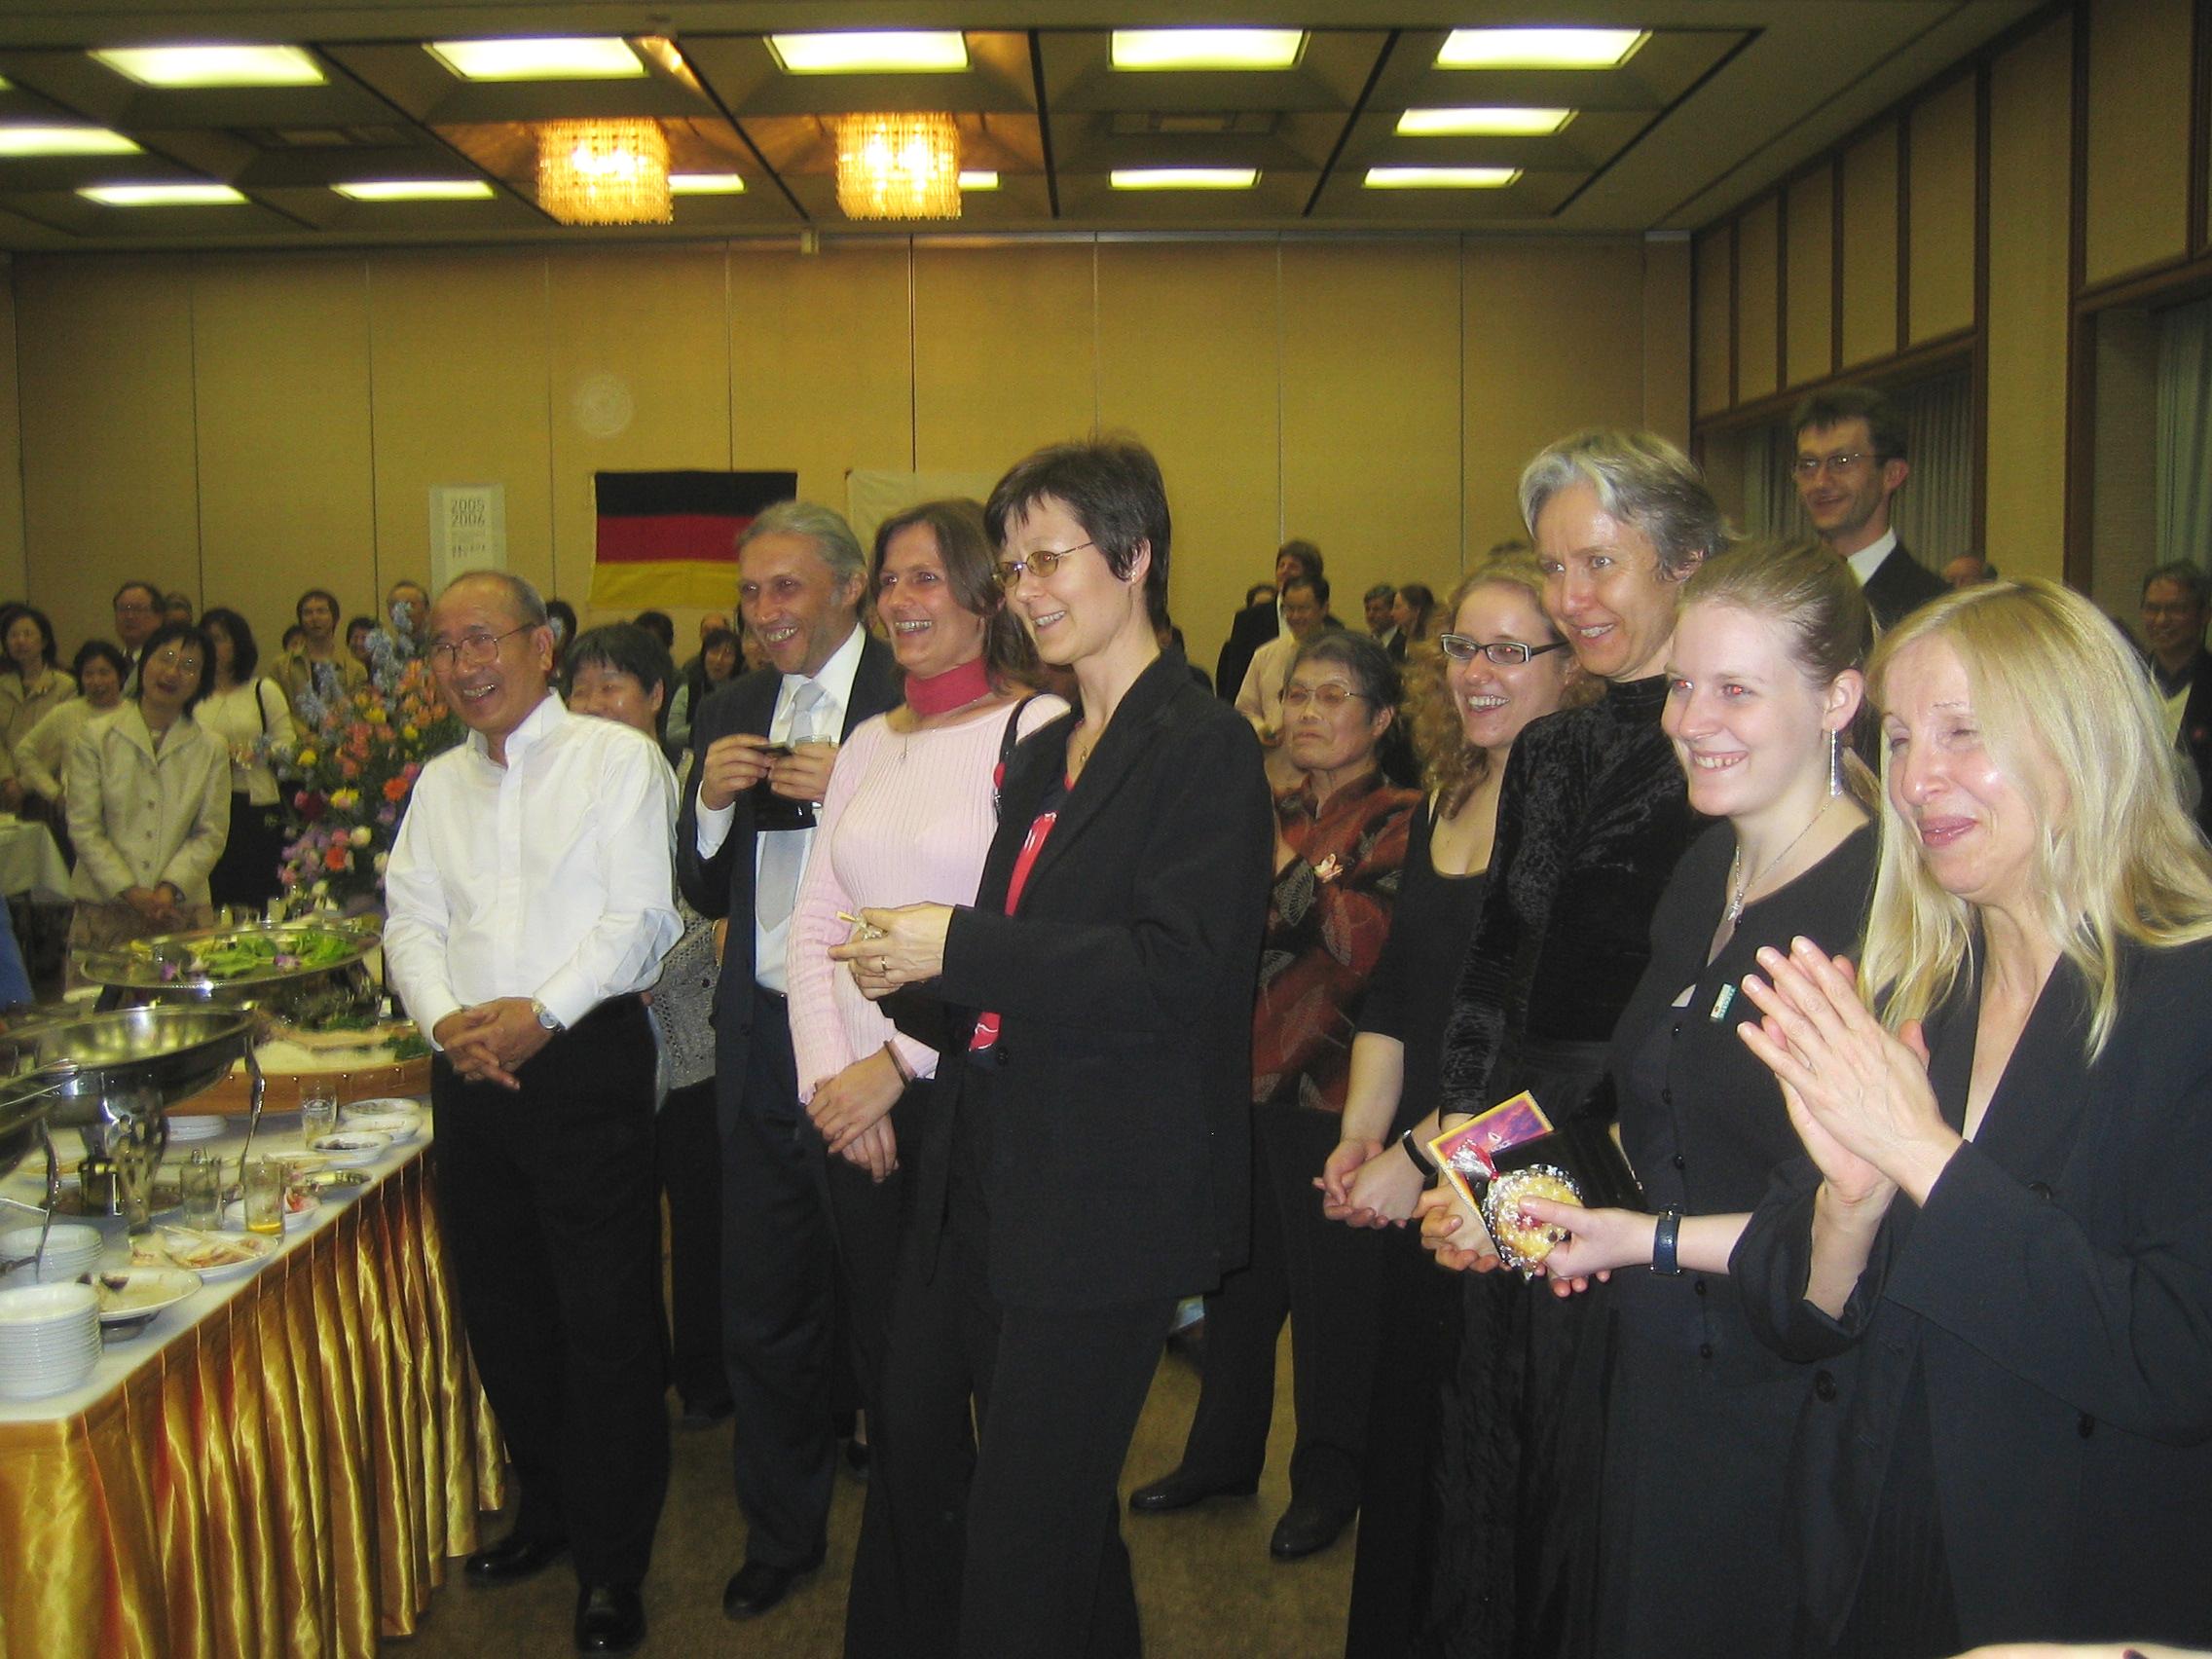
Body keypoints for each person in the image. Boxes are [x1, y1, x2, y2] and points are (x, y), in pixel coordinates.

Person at [830, 436, 1271, 1657]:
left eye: (1046, 560)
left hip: (1105, 1195)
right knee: (1031, 1509)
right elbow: (1013, 974)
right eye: (1013, 566)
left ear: (1133, 558)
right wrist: (913, 980)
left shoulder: (1202, 746)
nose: (1023, 591)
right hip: (988, 1170)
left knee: (1024, 1535)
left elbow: (1177, 972)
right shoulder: (1041, 750)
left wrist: (956, 944)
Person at [1733, 576, 2212, 1654]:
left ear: (2084, 742)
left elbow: (2177, 1359)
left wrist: (1922, 1155)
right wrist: (1849, 1209)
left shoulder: (2188, 999)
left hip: (2065, 1594)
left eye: (1963, 732)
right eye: (1900, 740)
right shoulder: (1920, 988)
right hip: (1869, 1560)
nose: (1915, 781)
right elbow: (1787, 1312)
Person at [1506, 539, 1878, 1659]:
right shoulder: (1705, 870)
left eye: (1734, 691)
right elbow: (1648, 1107)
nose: (1690, 721)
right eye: (1681, 686)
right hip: (1659, 1358)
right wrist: (1513, 1191)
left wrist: (1641, 1239)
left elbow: (1844, 1213)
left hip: (1781, 1390)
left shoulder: (1876, 911)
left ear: (1838, 701)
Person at [1408, 429, 1720, 1659]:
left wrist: (1510, 1169)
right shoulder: (1553, 746)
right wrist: (1463, 1155)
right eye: (1554, 567)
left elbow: (1664, 1009)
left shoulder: (1719, 744)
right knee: (1499, 1445)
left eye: (1600, 562)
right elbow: (1498, 963)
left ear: (1683, 562)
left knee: (1591, 1476)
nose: (1571, 597)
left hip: (1638, 1156)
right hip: (1521, 1139)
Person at [788, 499, 1068, 1649]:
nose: (902, 602)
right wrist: (832, 1082)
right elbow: (817, 920)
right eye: (890, 581)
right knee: (901, 1411)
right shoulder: (868, 740)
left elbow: (1023, 936)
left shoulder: (1039, 728)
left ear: (985, 595)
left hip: (974, 1103)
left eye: (926, 579)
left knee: (1007, 1408)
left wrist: (895, 1069)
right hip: (853, 1111)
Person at [383, 572, 679, 1656]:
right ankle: (548, 1511)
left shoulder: (615, 760)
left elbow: (642, 919)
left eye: (483, 639)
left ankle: (612, 1563)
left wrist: (539, 1014)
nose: (465, 664)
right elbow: (409, 920)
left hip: (582, 1061)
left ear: (542, 646)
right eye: (444, 647)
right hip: (470, 1071)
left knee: (606, 1323)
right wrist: (445, 1020)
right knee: (505, 1314)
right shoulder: (437, 784)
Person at [1319, 556, 1586, 1657]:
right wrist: (1360, 1133)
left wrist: (1424, 1158)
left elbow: (1549, 1046)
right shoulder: (1448, 796)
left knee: (1489, 1458)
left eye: (1511, 651)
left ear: (1572, 669)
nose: (1479, 672)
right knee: (1412, 1444)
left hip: (1518, 1161)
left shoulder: (1585, 820)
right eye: (1464, 647)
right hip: (1423, 1160)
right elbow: (1399, 994)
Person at [1131, 631, 1416, 1563]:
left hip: (1336, 1095)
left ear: (1382, 718)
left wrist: (1271, 856)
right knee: (1235, 1291)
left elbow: (1360, 945)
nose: (1308, 713)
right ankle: (1221, 1456)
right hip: (1234, 1079)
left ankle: (1329, 1482)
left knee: (1335, 1308)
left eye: (1334, 697)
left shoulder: (1400, 818)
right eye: (1297, 695)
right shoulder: (1268, 807)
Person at [673, 501, 903, 1622]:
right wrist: (711, 806)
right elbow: (703, 885)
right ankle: (780, 1532)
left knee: (892, 1309)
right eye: (750, 591)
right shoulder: (729, 707)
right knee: (761, 1305)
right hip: (763, 1040)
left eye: (786, 587)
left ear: (850, 588)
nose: (763, 613)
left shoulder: (909, 698)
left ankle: (914, 1535)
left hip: (876, 1043)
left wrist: (848, 791)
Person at [563, 623, 732, 1434]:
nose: (594, 703)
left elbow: (712, 906)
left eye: (613, 687)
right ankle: (641, 1372)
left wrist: (628, 972)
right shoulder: (561, 791)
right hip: (600, 1044)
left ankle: (708, 1376)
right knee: (620, 1223)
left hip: (692, 1038)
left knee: (700, 1222)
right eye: (581, 689)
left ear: (657, 695)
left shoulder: (692, 781)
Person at [64, 620, 228, 961]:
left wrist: (168, 888)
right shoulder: (96, 735)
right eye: (165, 658)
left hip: (181, 908)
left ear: (202, 680)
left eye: (189, 666)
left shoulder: (211, 746)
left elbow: (211, 833)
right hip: (104, 907)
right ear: (143, 664)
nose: (173, 672)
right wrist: (129, 889)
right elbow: (84, 826)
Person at [1791, 386, 1945, 628]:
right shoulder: (1784, 593)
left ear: (1892, 474)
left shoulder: (1934, 611)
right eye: (1808, 464)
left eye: (1841, 461)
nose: (1820, 482)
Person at [195, 608, 297, 913]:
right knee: (216, 894)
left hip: (255, 803)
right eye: (207, 639)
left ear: (238, 643)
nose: (213, 646)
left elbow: (288, 745)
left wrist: (256, 752)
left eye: (220, 639)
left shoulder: (262, 690)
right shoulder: (194, 695)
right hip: (207, 805)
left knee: (256, 893)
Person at [16, 640, 128, 834]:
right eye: (88, 674)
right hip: (78, 816)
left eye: (104, 673)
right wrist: (53, 792)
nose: (97, 681)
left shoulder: (135, 713)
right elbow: (24, 751)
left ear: (120, 675)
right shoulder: (66, 713)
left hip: (126, 816)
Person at [2138, 561, 2212, 838]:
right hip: (2136, 838)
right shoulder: (2126, 682)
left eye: (2176, 609)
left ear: (2204, 615)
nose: (2161, 620)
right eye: (2152, 608)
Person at [1237, 571, 1330, 786]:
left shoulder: (1342, 658)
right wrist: (1262, 729)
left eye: (1303, 609)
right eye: (1289, 608)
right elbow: (1245, 709)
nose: (1295, 616)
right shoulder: (1265, 655)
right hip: (1274, 771)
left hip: (1325, 770)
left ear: (1324, 608)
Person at [1219, 538, 1324, 701]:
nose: (1284, 571)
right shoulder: (1248, 619)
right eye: (1281, 565)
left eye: (1293, 566)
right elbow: (1235, 683)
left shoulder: (1332, 627)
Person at [0, 605, 74, 814]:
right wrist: (7, 780)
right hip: (5, 790)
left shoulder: (65, 685)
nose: (20, 641)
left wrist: (24, 785)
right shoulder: (2, 685)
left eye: (27, 634)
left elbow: (60, 745)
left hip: (47, 790)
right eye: (13, 635)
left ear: (44, 641)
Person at [275, 586, 366, 721]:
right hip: (293, 733)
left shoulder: (355, 669)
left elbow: (359, 714)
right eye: (307, 613)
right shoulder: (282, 665)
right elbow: (276, 711)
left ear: (335, 618)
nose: (314, 618)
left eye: (321, 611)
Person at [665, 627, 739, 756]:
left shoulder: (742, 692)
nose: (719, 660)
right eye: (714, 652)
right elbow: (672, 734)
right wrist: (708, 727)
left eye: (727, 654)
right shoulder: (688, 690)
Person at [111, 579, 163, 664]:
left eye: (138, 609)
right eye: (123, 609)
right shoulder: (111, 663)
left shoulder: (164, 663)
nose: (129, 616)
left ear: (158, 617)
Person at [1390, 581, 1438, 653]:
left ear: (1416, 610)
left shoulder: (1429, 645)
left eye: (1397, 607)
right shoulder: (1397, 642)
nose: (1392, 613)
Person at [1364, 582, 1399, 650]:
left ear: (1392, 610)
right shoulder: (1363, 644)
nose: (1370, 615)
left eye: (1376, 609)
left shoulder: (1406, 643)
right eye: (1367, 609)